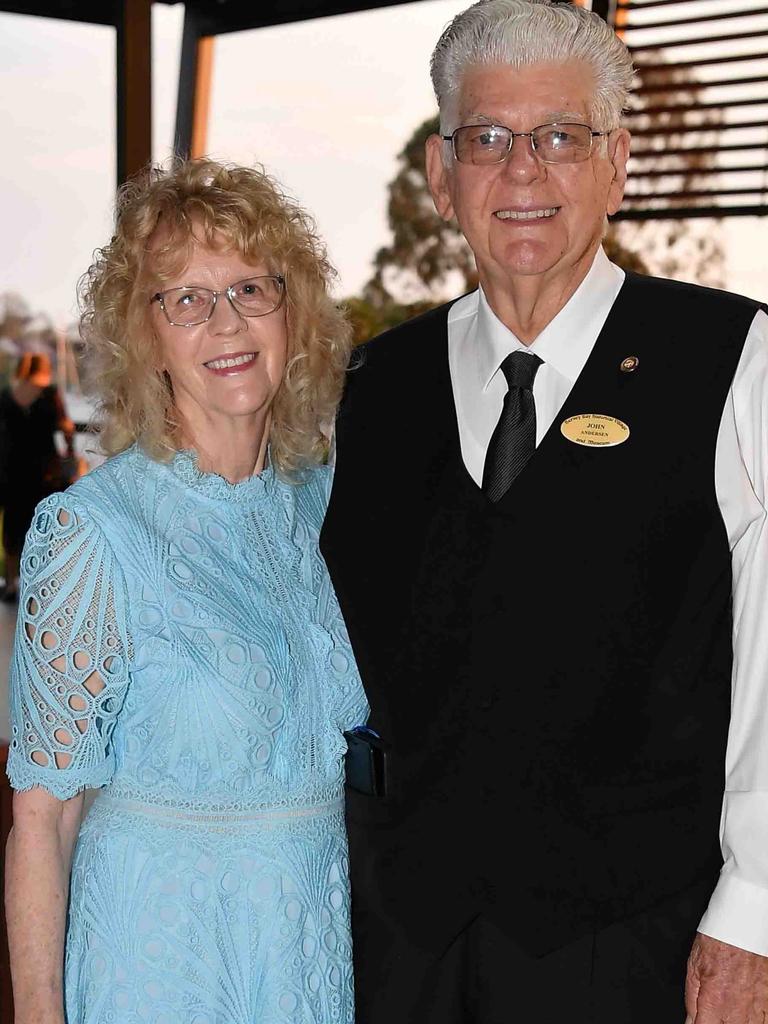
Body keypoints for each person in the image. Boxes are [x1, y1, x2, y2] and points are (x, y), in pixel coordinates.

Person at [320, 2, 768, 1021]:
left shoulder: (736, 360)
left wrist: (755, 911)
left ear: (616, 164)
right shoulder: (367, 389)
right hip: (403, 951)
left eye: (560, 137)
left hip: (644, 946)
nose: (523, 172)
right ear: (442, 175)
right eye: (487, 139)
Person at [5, 159, 368, 1024]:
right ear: (147, 336)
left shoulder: (330, 507)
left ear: (295, 311)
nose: (227, 322)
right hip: (160, 968)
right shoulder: (95, 531)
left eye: (251, 288)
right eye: (187, 299)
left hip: (308, 959)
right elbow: (42, 821)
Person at [0, 351, 76, 601]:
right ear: (43, 370)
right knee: (45, 528)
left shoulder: (7, 396)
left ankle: (11, 584)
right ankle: (43, 586)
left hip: (11, 471)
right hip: (45, 472)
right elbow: (66, 428)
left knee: (13, 528)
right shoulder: (49, 394)